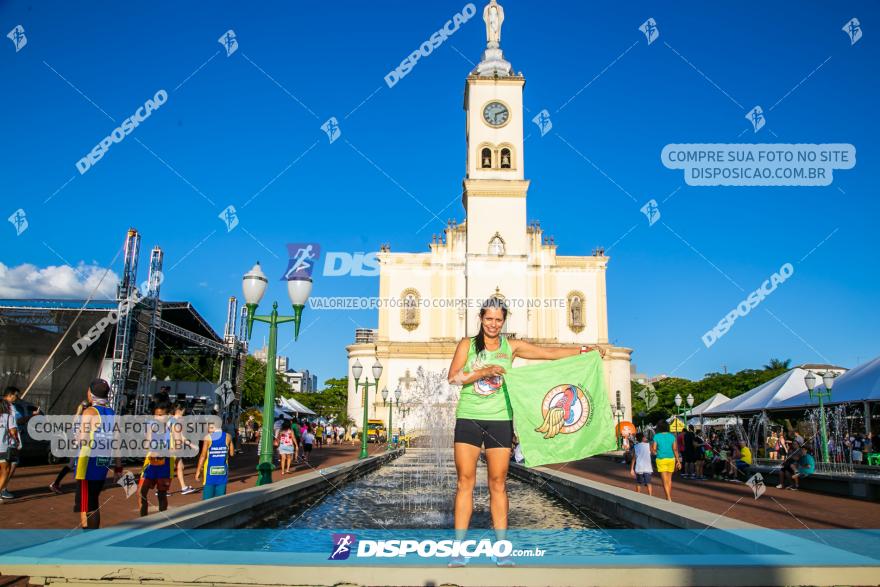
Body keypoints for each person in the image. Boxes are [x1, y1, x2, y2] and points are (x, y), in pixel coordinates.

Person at [446, 298, 604, 567]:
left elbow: (548, 354)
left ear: (503, 321)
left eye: (498, 320)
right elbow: (453, 377)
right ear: (481, 319)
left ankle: (502, 549)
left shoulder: (512, 347)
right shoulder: (467, 345)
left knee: (498, 483)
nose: (493, 324)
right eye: (489, 319)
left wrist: (584, 350)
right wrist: (483, 371)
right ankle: (458, 549)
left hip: (501, 419)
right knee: (465, 483)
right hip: (469, 417)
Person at [74, 379, 123, 529]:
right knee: (93, 499)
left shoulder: (89, 412)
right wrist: (118, 467)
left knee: (87, 504)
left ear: (90, 393)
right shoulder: (112, 413)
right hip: (103, 461)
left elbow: (82, 440)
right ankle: (90, 534)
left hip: (87, 462)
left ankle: (89, 537)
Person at [139, 401, 173, 516]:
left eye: (160, 415)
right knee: (141, 492)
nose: (157, 418)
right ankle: (143, 520)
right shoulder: (150, 425)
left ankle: (162, 520)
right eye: (155, 415)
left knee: (162, 494)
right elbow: (147, 443)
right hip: (150, 463)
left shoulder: (172, 428)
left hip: (165, 465)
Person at [50, 400, 90, 494]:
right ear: (86, 409)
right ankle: (81, 488)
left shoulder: (77, 417)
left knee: (72, 465)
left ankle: (56, 483)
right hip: (80, 445)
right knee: (79, 465)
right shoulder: (83, 418)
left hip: (76, 444)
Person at [195, 419, 234, 500]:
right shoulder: (228, 436)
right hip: (223, 470)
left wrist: (198, 470)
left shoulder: (208, 437)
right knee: (220, 499)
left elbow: (203, 455)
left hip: (209, 471)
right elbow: (232, 453)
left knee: (207, 499)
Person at [0, 386, 21, 501]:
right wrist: (17, 441)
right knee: (6, 469)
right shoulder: (9, 416)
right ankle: (2, 490)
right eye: (16, 395)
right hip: (5, 446)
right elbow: (13, 431)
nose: (16, 398)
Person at [170, 402, 196, 495]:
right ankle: (162, 489)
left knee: (180, 466)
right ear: (179, 410)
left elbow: (181, 437)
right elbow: (179, 437)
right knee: (170, 468)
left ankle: (183, 487)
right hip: (172, 448)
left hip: (173, 447)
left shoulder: (173, 420)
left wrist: (192, 445)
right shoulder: (175, 422)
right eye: (183, 410)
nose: (184, 412)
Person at [653, 420, 680, 501]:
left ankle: (668, 497)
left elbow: (654, 448)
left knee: (664, 480)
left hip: (661, 459)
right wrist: (678, 460)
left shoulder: (656, 436)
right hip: (671, 459)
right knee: (669, 479)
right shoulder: (672, 436)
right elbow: (675, 449)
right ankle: (668, 495)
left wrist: (655, 452)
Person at [630, 432, 654, 497]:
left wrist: (632, 469)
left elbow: (633, 459)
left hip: (639, 467)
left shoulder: (636, 446)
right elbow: (654, 453)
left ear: (637, 439)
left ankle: (638, 496)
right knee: (648, 483)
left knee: (638, 483)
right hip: (647, 467)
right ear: (643, 438)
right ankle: (650, 496)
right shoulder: (648, 445)